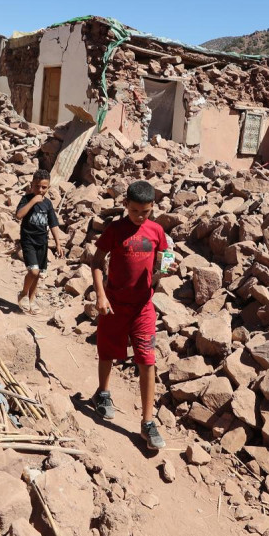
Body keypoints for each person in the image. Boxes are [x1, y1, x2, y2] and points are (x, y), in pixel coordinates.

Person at [90, 179, 173, 451]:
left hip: (142, 308)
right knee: (108, 351)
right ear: (125, 205)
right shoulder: (115, 230)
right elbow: (97, 261)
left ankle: (148, 423)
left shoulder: (156, 230)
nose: (140, 216)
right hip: (114, 304)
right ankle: (103, 393)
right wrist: (101, 295)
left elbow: (166, 254)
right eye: (135, 211)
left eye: (146, 212)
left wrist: (162, 273)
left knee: (147, 360)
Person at [15, 169, 64, 314]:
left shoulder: (48, 204)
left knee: (38, 273)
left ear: (48, 188)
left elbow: (53, 224)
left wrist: (58, 244)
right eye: (37, 186)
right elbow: (19, 215)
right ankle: (23, 293)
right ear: (32, 185)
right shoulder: (26, 199)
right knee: (33, 271)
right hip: (28, 240)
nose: (40, 190)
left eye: (44, 187)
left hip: (42, 242)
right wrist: (32, 201)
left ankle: (31, 299)